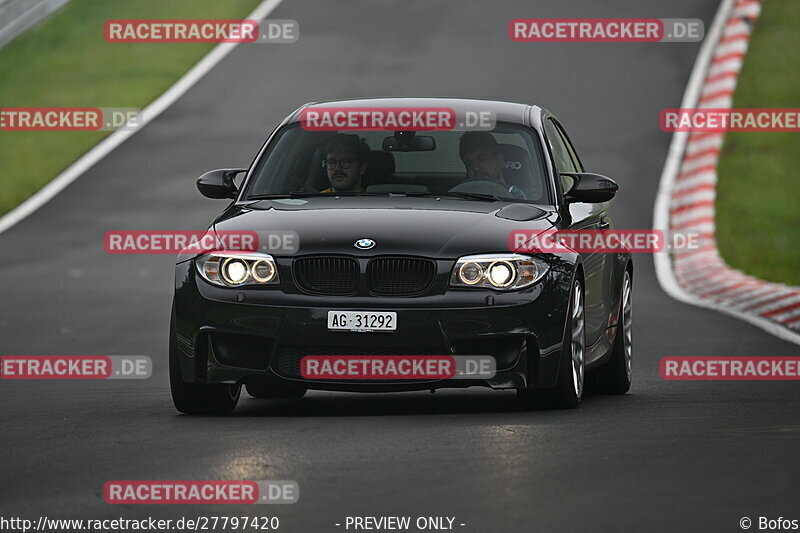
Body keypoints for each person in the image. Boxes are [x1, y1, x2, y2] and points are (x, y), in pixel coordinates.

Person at [458, 131, 526, 199]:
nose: (476, 168)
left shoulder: (517, 196)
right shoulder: (459, 196)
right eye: (469, 164)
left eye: (482, 160)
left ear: (500, 160)